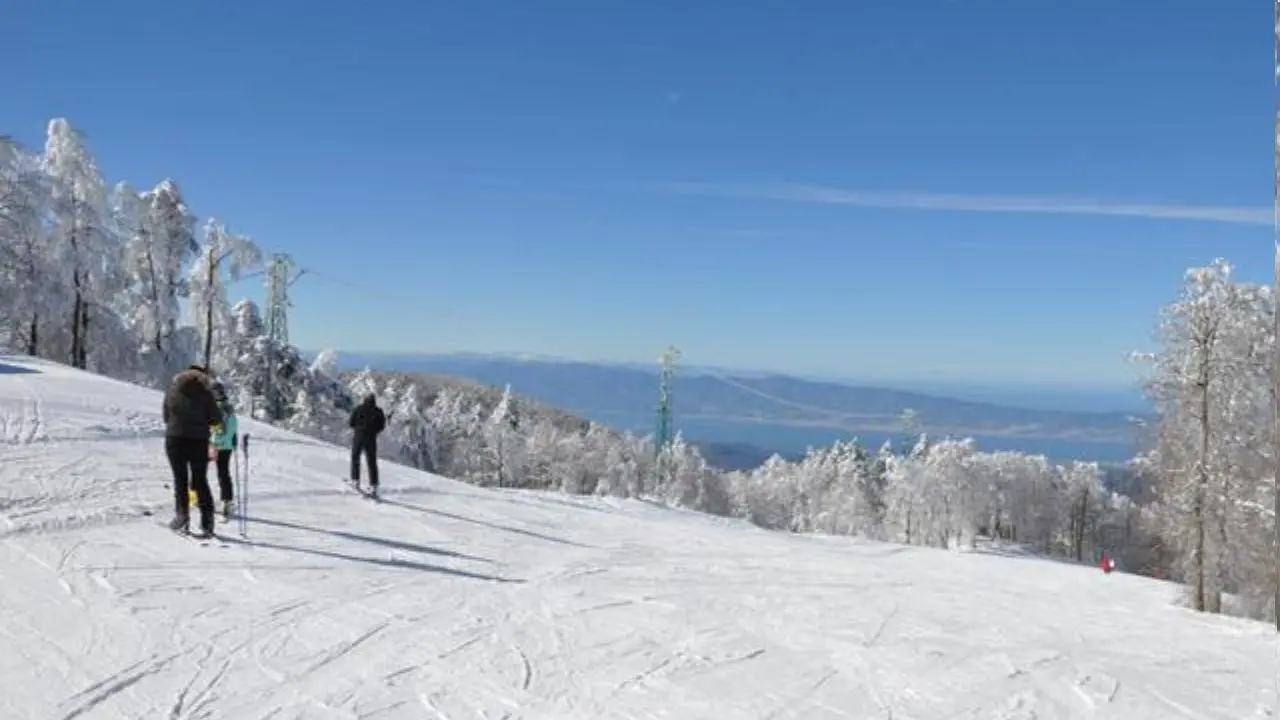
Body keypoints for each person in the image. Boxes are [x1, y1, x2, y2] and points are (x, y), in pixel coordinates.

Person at [162, 365, 223, 535]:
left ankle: (182, 517)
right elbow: (215, 418)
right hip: (198, 441)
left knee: (180, 479)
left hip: (175, 438)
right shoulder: (205, 394)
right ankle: (207, 521)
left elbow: (166, 416)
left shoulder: (172, 390)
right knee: (200, 480)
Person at [208, 382, 238, 519]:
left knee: (199, 468)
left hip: (217, 446)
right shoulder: (229, 408)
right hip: (227, 446)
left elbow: (219, 430)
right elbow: (232, 427)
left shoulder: (219, 408)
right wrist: (233, 439)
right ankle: (227, 501)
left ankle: (195, 495)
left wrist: (214, 443)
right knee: (223, 473)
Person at [348, 393, 386, 495]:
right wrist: (373, 431)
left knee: (355, 457)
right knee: (371, 461)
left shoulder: (359, 409)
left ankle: (355, 480)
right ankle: (373, 485)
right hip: (371, 438)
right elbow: (381, 426)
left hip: (359, 436)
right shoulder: (378, 411)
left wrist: (358, 428)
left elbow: (351, 422)